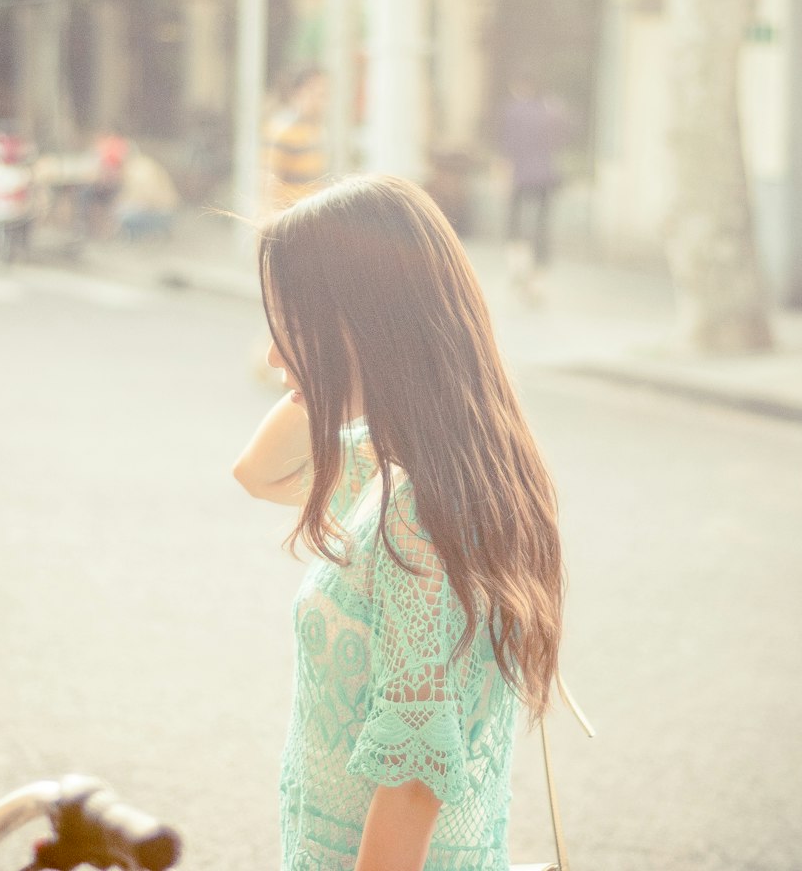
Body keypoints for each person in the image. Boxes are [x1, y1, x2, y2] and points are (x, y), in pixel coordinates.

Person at [233, 175, 565, 871]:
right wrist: (324, 377)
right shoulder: (393, 465)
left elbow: (412, 784)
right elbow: (257, 473)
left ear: (367, 324)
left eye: (289, 326)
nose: (270, 355)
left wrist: (340, 368)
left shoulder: (417, 508)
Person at [499, 77, 565, 300]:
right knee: (541, 226)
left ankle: (517, 265)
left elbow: (509, 146)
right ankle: (537, 279)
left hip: (520, 175)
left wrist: (504, 176)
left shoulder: (513, 112)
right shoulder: (550, 110)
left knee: (515, 221)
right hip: (546, 175)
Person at [261, 66, 330, 215]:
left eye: (323, 93)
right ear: (299, 91)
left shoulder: (316, 130)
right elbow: (270, 183)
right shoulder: (282, 130)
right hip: (289, 219)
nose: (320, 99)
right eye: (316, 91)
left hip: (309, 217)